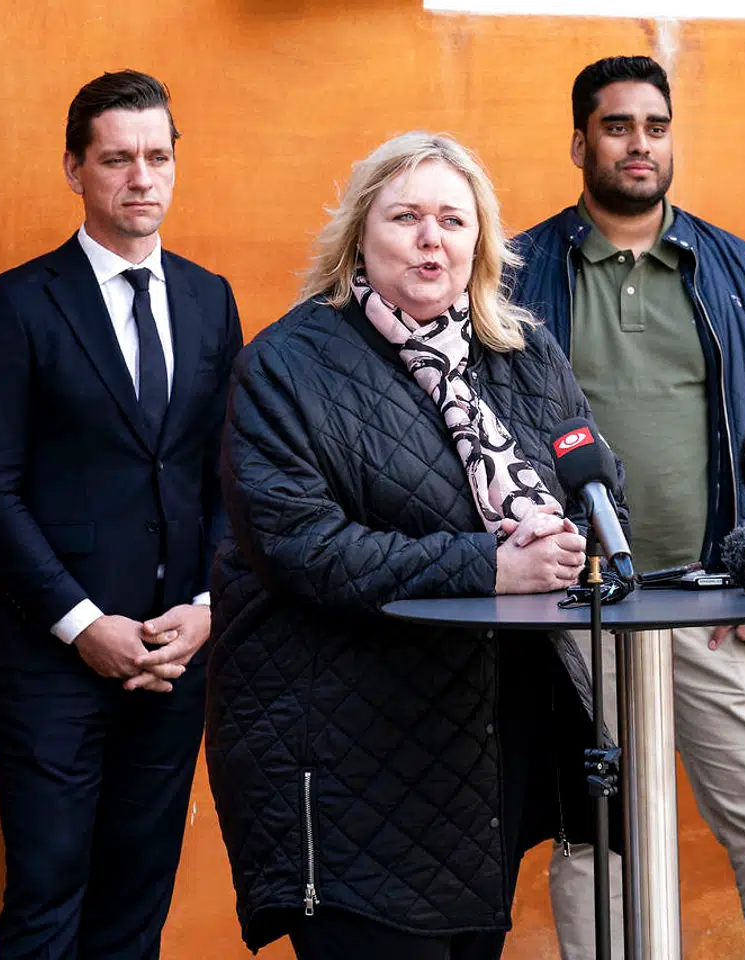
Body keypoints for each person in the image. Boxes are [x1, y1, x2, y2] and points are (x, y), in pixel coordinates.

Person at [204, 132, 617, 960]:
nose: (433, 239)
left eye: (454, 220)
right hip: (344, 751)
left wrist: (575, 541)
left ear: (481, 241)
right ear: (361, 233)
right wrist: (492, 567)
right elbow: (299, 544)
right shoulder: (288, 364)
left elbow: (595, 482)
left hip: (485, 750)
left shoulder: (524, 353)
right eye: (407, 217)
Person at [508, 55, 745, 959]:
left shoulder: (736, 272)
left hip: (720, 605)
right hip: (577, 606)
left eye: (654, 126)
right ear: (581, 142)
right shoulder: (518, 272)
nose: (638, 144)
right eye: (617, 127)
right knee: (595, 836)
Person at [0, 70, 242, 959]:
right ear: (75, 171)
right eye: (117, 159)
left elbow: (226, 476)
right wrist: (82, 626)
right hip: (52, 658)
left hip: (173, 657)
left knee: (136, 906)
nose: (141, 178)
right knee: (45, 902)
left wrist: (203, 611)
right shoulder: (13, 305)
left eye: (158, 156)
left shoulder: (209, 298)